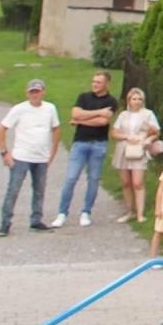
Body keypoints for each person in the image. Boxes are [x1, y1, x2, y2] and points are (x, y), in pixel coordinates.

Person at [51, 69, 118, 228]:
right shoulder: (83, 97)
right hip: (80, 142)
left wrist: (80, 120)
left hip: (98, 143)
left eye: (99, 82)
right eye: (93, 82)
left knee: (93, 179)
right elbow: (75, 113)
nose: (95, 85)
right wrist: (96, 113)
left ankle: (86, 211)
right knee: (71, 178)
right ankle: (62, 213)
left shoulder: (112, 101)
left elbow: (103, 121)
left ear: (107, 84)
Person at [0, 78, 60, 236]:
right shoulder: (19, 109)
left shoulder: (50, 109)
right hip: (21, 156)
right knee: (13, 190)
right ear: (27, 93)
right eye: (32, 92)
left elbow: (56, 129)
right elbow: (1, 128)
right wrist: (5, 152)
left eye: (37, 91)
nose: (35, 95)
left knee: (39, 190)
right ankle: (5, 223)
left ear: (43, 92)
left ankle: (36, 220)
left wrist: (52, 152)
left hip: (41, 158)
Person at [111, 87, 160, 223]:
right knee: (126, 182)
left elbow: (156, 131)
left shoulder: (148, 114)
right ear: (129, 100)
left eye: (139, 99)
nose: (137, 102)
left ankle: (140, 213)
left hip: (139, 149)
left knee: (137, 182)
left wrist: (148, 140)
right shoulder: (123, 115)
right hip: (124, 148)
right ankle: (129, 211)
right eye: (134, 99)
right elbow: (114, 133)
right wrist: (126, 136)